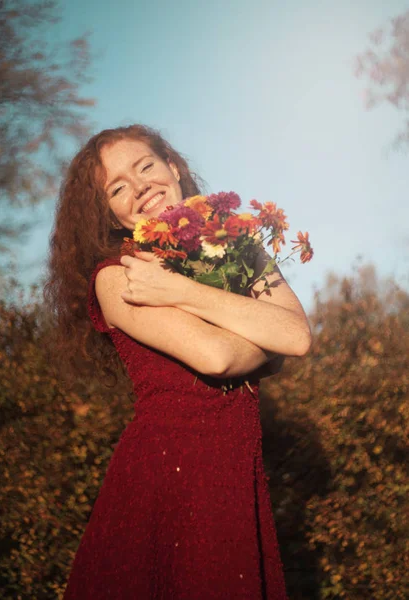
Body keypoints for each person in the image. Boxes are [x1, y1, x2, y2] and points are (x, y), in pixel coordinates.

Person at [44, 124, 311, 599]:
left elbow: (298, 336)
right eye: (118, 187)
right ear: (107, 212)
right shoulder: (117, 277)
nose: (140, 187)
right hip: (163, 483)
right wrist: (265, 337)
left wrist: (181, 290)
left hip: (235, 476)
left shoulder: (240, 247)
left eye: (145, 166)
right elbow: (218, 357)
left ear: (173, 165)